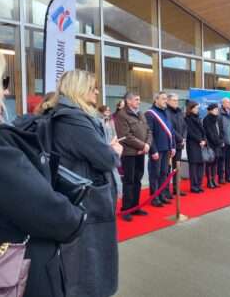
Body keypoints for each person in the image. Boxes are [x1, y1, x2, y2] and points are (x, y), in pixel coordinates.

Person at [0, 54, 86, 297]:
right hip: (22, 270)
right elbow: (51, 213)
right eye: (3, 82)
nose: (5, 92)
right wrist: (78, 216)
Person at [48, 70, 123, 297]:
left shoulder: (67, 115)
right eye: (93, 88)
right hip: (88, 202)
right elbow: (105, 159)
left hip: (82, 199)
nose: (97, 92)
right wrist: (114, 150)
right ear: (79, 89)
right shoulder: (74, 119)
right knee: (90, 265)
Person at [115, 92, 153, 222]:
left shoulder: (140, 113)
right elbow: (125, 136)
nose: (139, 102)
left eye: (139, 99)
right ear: (128, 101)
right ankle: (126, 209)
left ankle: (135, 207)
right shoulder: (121, 115)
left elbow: (148, 131)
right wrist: (143, 146)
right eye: (136, 99)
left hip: (141, 152)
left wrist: (147, 145)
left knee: (138, 180)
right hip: (129, 153)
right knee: (129, 181)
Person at [145, 92, 176, 207]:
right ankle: (154, 197)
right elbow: (149, 133)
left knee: (164, 173)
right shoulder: (150, 114)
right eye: (163, 99)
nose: (165, 101)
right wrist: (153, 150)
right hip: (157, 150)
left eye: (166, 99)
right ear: (156, 99)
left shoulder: (165, 113)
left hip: (167, 149)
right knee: (155, 174)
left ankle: (162, 195)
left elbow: (171, 131)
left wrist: (172, 146)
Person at [166, 93, 187, 196]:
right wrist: (179, 138)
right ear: (168, 101)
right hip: (170, 144)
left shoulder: (179, 112)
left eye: (177, 100)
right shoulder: (166, 112)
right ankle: (166, 191)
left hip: (179, 144)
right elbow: (170, 128)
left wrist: (183, 137)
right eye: (174, 100)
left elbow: (184, 125)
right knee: (168, 168)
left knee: (177, 167)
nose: (176, 102)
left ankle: (176, 188)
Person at [185, 101, 206, 193]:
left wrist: (204, 140)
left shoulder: (198, 118)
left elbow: (203, 131)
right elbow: (189, 132)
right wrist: (199, 140)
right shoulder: (187, 119)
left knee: (201, 165)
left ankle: (199, 184)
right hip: (193, 144)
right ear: (191, 108)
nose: (198, 109)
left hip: (201, 144)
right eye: (196, 108)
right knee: (193, 166)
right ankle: (194, 186)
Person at [203, 103, 223, 188]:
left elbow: (221, 130)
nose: (217, 111)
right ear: (210, 110)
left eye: (217, 109)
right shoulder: (207, 119)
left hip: (218, 144)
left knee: (215, 162)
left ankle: (214, 180)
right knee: (210, 163)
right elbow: (209, 133)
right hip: (211, 144)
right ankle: (209, 181)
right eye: (215, 109)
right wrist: (217, 141)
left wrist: (221, 140)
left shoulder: (218, 118)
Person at [218, 97, 230, 184]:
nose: (229, 104)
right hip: (224, 140)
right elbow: (219, 128)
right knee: (222, 160)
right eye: (227, 102)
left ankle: (228, 176)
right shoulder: (219, 113)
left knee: (228, 159)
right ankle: (221, 178)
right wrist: (221, 140)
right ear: (223, 104)